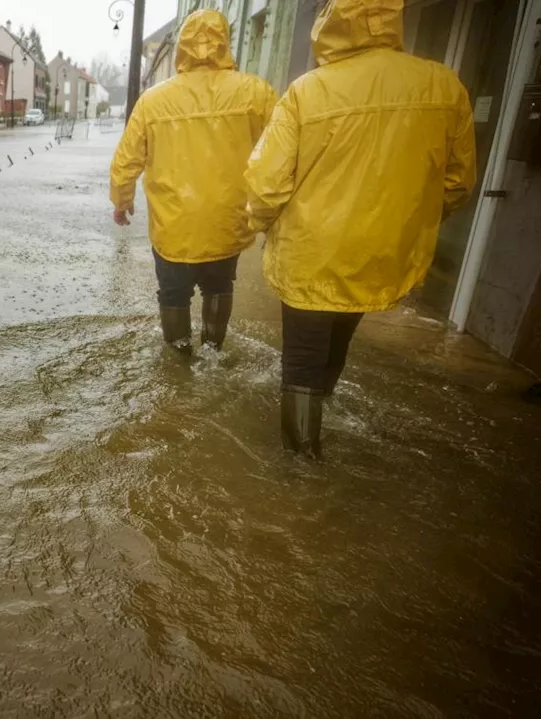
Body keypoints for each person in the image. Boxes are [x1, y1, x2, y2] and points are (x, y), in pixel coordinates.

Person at [245, 0, 476, 456]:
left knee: (303, 359)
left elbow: (267, 185)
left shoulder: (308, 91)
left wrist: (259, 224)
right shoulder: (443, 85)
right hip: (379, 252)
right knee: (341, 332)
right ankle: (323, 412)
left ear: (331, 25)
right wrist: (405, 225)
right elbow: (456, 182)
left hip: (312, 251)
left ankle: (301, 462)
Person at [109, 9, 275, 354]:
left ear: (182, 46)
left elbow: (127, 161)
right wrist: (271, 212)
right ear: (224, 43)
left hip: (173, 224)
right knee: (219, 286)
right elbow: (278, 156)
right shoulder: (257, 93)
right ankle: (214, 350)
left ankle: (179, 360)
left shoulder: (153, 100)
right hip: (227, 220)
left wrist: (122, 201)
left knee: (173, 292)